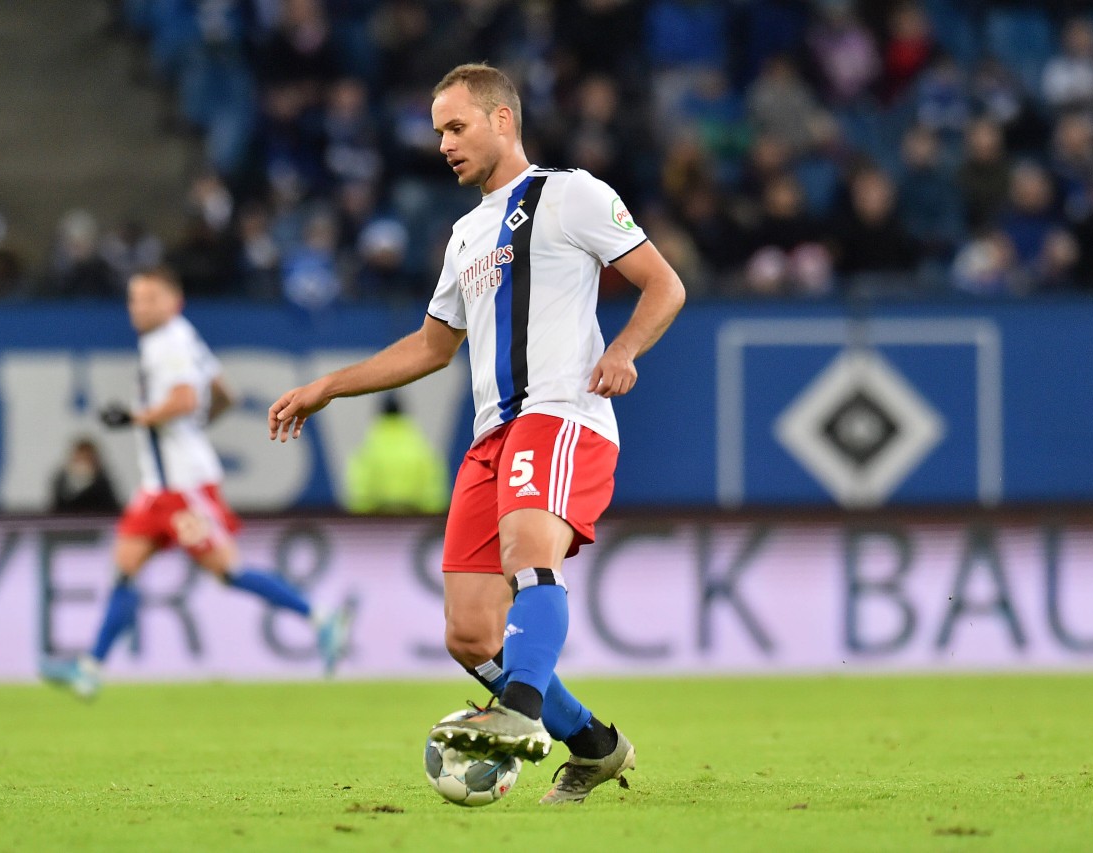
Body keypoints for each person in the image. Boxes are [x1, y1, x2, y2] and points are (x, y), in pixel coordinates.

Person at [267, 63, 685, 804]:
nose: (444, 145)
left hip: (561, 413)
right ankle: (593, 743)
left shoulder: (572, 193)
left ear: (502, 121)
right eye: (438, 133)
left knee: (530, 555)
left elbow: (665, 283)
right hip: (491, 436)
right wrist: (329, 385)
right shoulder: (464, 235)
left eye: (456, 128)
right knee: (470, 634)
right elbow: (432, 347)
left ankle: (519, 713)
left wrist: (622, 350)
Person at [42, 266, 354, 699]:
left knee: (228, 571)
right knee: (125, 570)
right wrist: (190, 429)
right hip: (159, 489)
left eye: (150, 298)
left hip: (184, 488)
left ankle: (320, 616)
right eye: (134, 299)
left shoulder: (165, 341)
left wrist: (137, 417)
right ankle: (91, 667)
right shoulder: (184, 337)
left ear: (174, 302)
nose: (139, 308)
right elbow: (224, 394)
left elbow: (186, 398)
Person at [343, 393, 449, 514]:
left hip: (377, 523)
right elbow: (435, 497)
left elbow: (359, 497)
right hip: (416, 522)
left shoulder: (367, 451)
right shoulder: (422, 450)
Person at [49, 436, 120, 514]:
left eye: (86, 459)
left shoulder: (103, 485)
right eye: (79, 458)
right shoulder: (60, 483)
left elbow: (110, 510)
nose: (82, 464)